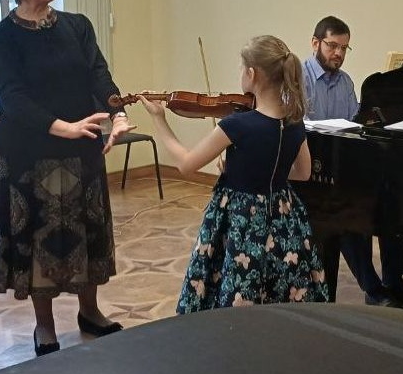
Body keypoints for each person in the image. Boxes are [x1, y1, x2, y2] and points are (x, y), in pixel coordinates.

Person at [0, 0, 135, 356]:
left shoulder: (77, 26)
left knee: (87, 230)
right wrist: (62, 127)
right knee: (40, 237)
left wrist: (118, 114)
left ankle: (90, 312)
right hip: (29, 152)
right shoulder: (1, 38)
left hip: (81, 146)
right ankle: (45, 325)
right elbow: (12, 97)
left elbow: (99, 75)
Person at [139, 35, 329, 312]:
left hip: (242, 219)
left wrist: (158, 119)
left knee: (239, 283)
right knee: (279, 283)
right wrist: (252, 167)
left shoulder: (238, 124)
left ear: (252, 74)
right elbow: (303, 173)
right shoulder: (295, 122)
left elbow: (186, 164)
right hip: (284, 216)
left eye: (242, 69)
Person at [303, 15, 403, 307]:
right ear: (315, 43)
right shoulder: (299, 78)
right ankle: (373, 288)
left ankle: (394, 280)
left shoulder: (346, 82)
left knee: (391, 198)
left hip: (341, 166)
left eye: (344, 48)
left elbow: (355, 125)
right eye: (332, 46)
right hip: (311, 171)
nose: (338, 53)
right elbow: (295, 128)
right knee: (348, 210)